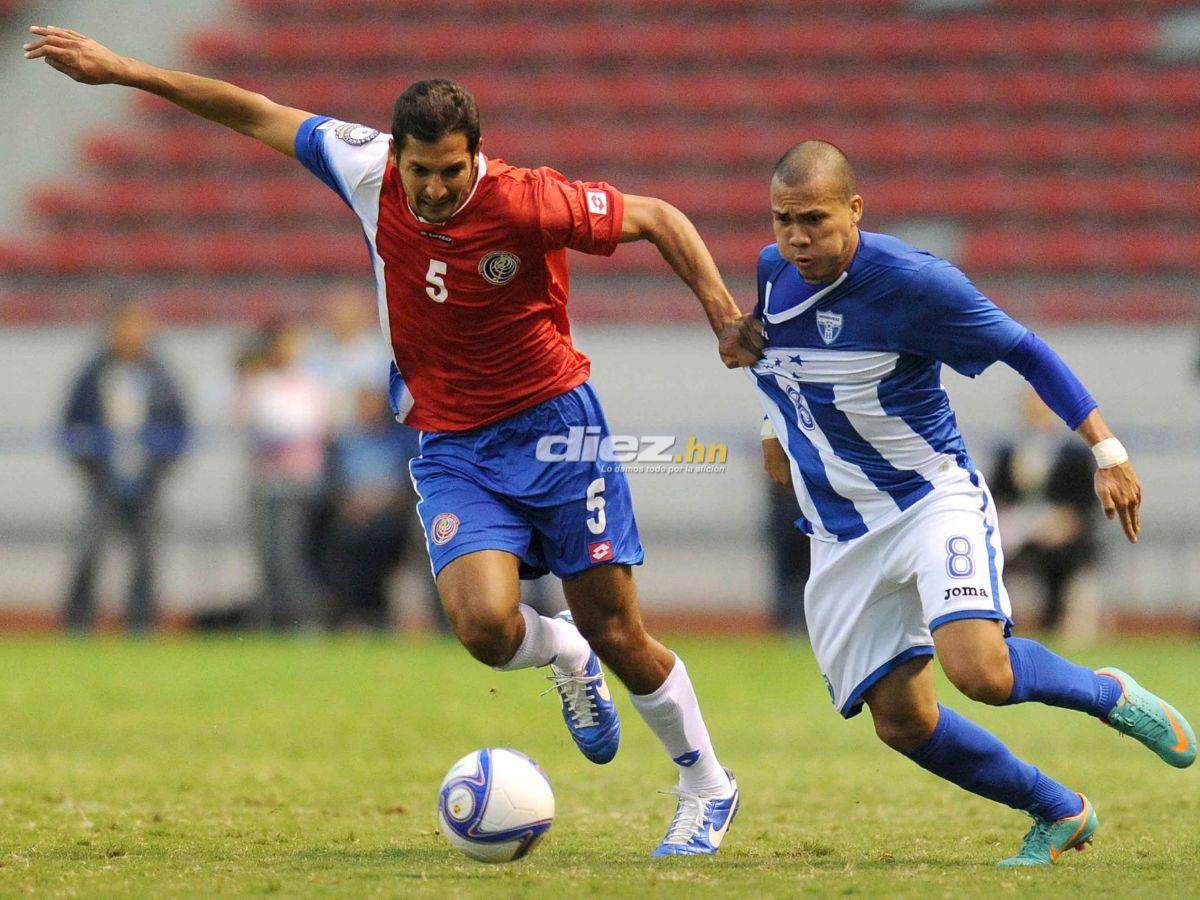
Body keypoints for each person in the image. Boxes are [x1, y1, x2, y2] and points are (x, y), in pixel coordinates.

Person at [24, 25, 764, 854]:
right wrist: (125, 69)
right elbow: (249, 108)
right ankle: (564, 655)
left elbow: (660, 217)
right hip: (450, 441)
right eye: (423, 171)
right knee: (484, 627)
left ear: (476, 155)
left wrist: (724, 316)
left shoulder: (526, 198)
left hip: (557, 429)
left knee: (622, 632)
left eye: (453, 170)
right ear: (398, 156)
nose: (439, 187)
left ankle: (707, 785)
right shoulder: (362, 164)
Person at [752, 140, 1194, 866]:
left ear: (855, 211)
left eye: (815, 219)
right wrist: (773, 427)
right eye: (783, 220)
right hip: (841, 528)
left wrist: (1106, 450)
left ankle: (1107, 693)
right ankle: (1059, 811)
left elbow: (1028, 351)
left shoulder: (918, 284)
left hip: (931, 500)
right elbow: (773, 358)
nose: (797, 237)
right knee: (901, 721)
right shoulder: (775, 274)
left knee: (981, 672)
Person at [61, 300, 189, 632]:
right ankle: (78, 623)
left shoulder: (160, 376)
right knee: (89, 551)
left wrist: (160, 467)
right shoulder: (93, 374)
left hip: (146, 481)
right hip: (103, 479)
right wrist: (89, 464)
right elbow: (71, 424)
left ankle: (140, 623)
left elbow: (179, 426)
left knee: (145, 557)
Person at [237, 320, 332, 630]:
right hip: (266, 481)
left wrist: (280, 429)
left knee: (290, 554)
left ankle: (304, 618)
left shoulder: (309, 382)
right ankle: (273, 620)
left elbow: (306, 425)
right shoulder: (261, 382)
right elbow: (253, 423)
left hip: (299, 481)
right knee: (267, 556)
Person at [991, 390, 1100, 635]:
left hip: (1059, 531)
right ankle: (999, 621)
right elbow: (995, 495)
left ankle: (1053, 622)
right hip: (1017, 527)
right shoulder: (1008, 452)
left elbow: (1085, 503)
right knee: (993, 556)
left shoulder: (1074, 455)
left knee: (1060, 557)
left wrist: (1065, 522)